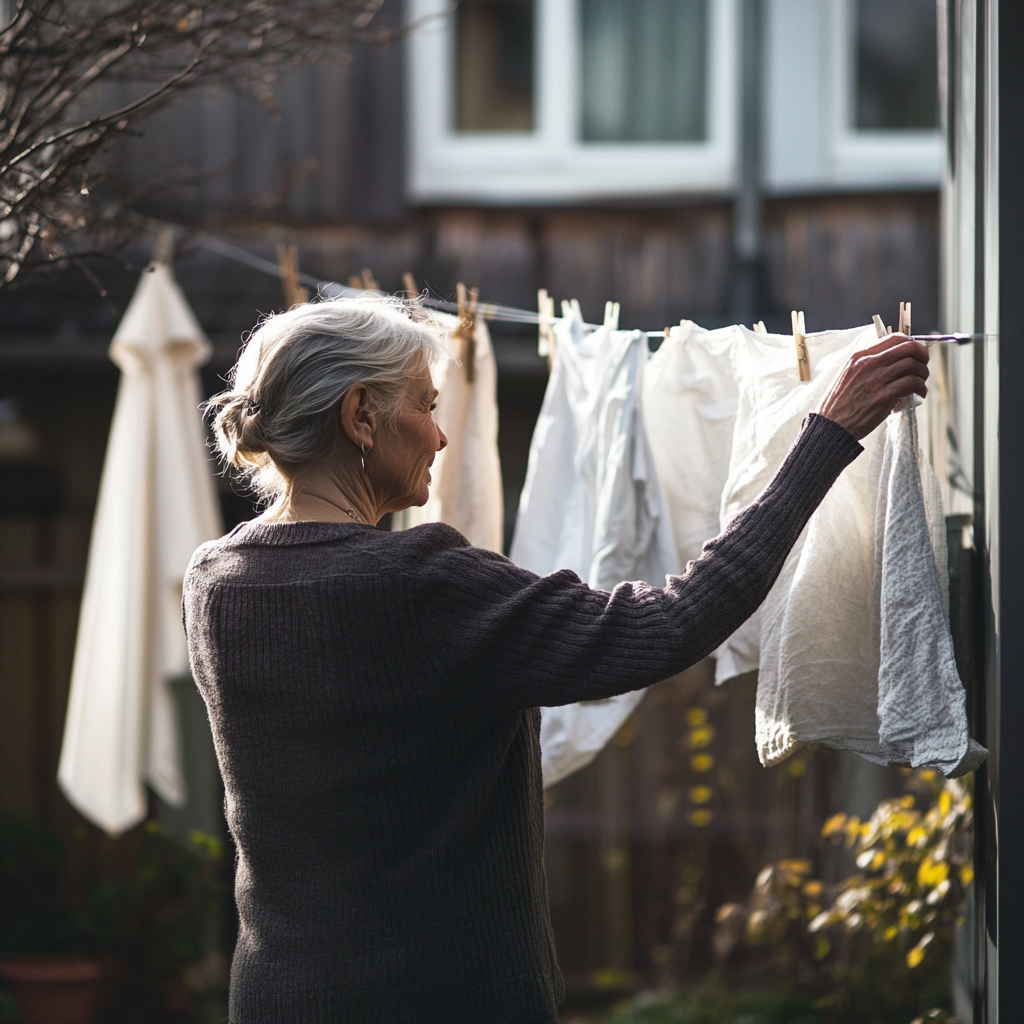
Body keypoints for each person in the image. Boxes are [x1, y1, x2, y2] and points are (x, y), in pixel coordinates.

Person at [184, 295, 929, 1024]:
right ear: (359, 417)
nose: (441, 436)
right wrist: (827, 434)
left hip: (278, 996)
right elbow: (670, 624)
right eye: (426, 404)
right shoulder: (420, 583)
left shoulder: (213, 581)